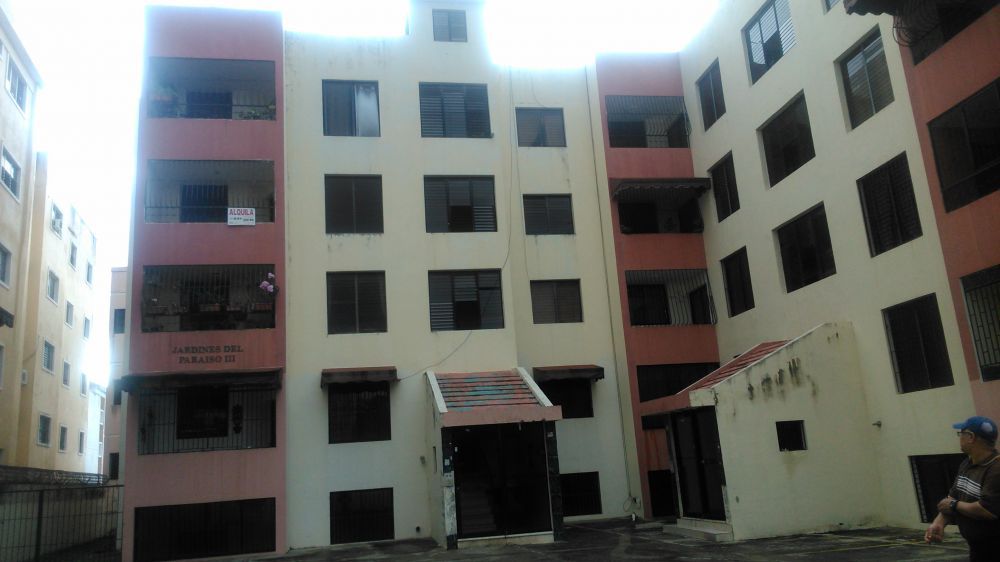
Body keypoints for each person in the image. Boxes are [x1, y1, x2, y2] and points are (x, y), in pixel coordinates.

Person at [925, 416, 1000, 561]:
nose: (959, 438)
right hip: (978, 548)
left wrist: (954, 505)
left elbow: (987, 510)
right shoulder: (967, 463)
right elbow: (954, 496)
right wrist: (939, 523)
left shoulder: (996, 469)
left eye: (961, 434)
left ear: (971, 437)